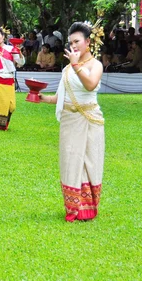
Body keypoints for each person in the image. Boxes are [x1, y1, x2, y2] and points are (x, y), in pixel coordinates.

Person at [39, 22, 105, 222]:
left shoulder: (95, 65)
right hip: (69, 120)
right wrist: (40, 97)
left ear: (87, 42)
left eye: (77, 42)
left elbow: (90, 84)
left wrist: (76, 65)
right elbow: (61, 97)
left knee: (88, 161)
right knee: (70, 161)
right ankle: (73, 207)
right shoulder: (68, 69)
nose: (73, 46)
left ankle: (87, 208)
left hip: (89, 118)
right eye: (70, 42)